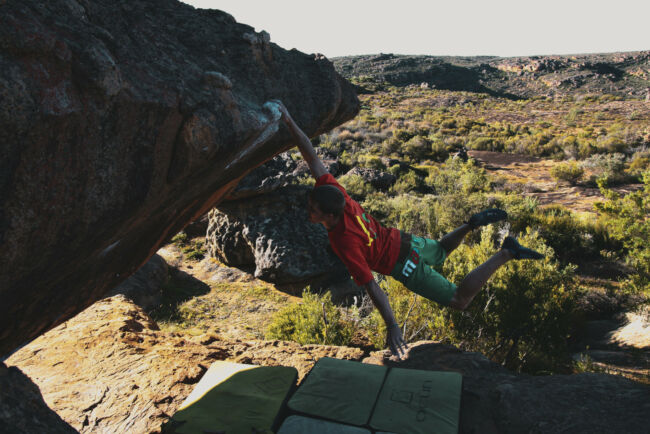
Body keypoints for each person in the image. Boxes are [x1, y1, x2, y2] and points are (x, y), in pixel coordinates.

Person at [273, 101, 544, 358]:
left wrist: (392, 325)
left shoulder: (343, 241)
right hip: (402, 240)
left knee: (459, 300)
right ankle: (470, 224)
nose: (308, 211)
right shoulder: (337, 194)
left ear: (329, 215)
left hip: (402, 264)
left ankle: (506, 252)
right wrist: (288, 119)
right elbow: (310, 155)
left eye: (313, 210)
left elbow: (371, 287)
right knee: (440, 250)